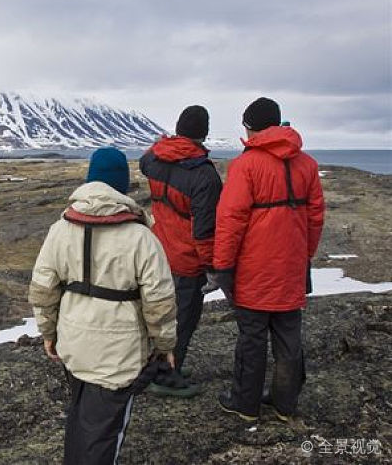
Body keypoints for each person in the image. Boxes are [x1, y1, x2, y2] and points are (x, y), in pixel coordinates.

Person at [29, 147, 177, 465]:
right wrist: (165, 345)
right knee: (105, 435)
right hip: (118, 356)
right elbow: (160, 301)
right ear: (122, 185)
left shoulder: (60, 230)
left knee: (81, 419)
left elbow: (42, 289)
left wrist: (48, 333)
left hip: (73, 344)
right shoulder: (142, 238)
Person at [208, 97, 325, 422]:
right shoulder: (308, 164)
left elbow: (230, 220)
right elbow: (316, 218)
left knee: (252, 337)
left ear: (250, 126)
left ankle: (246, 404)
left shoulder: (246, 165)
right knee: (289, 336)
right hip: (291, 267)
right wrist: (305, 255)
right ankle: (285, 404)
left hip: (253, 269)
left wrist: (223, 265)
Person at [138, 105, 223, 397]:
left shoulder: (155, 159)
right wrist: (212, 267)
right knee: (182, 321)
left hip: (158, 252)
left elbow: (143, 161)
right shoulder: (204, 175)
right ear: (204, 132)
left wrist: (161, 141)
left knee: (159, 314)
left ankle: (157, 367)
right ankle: (166, 376)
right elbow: (204, 230)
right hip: (187, 261)